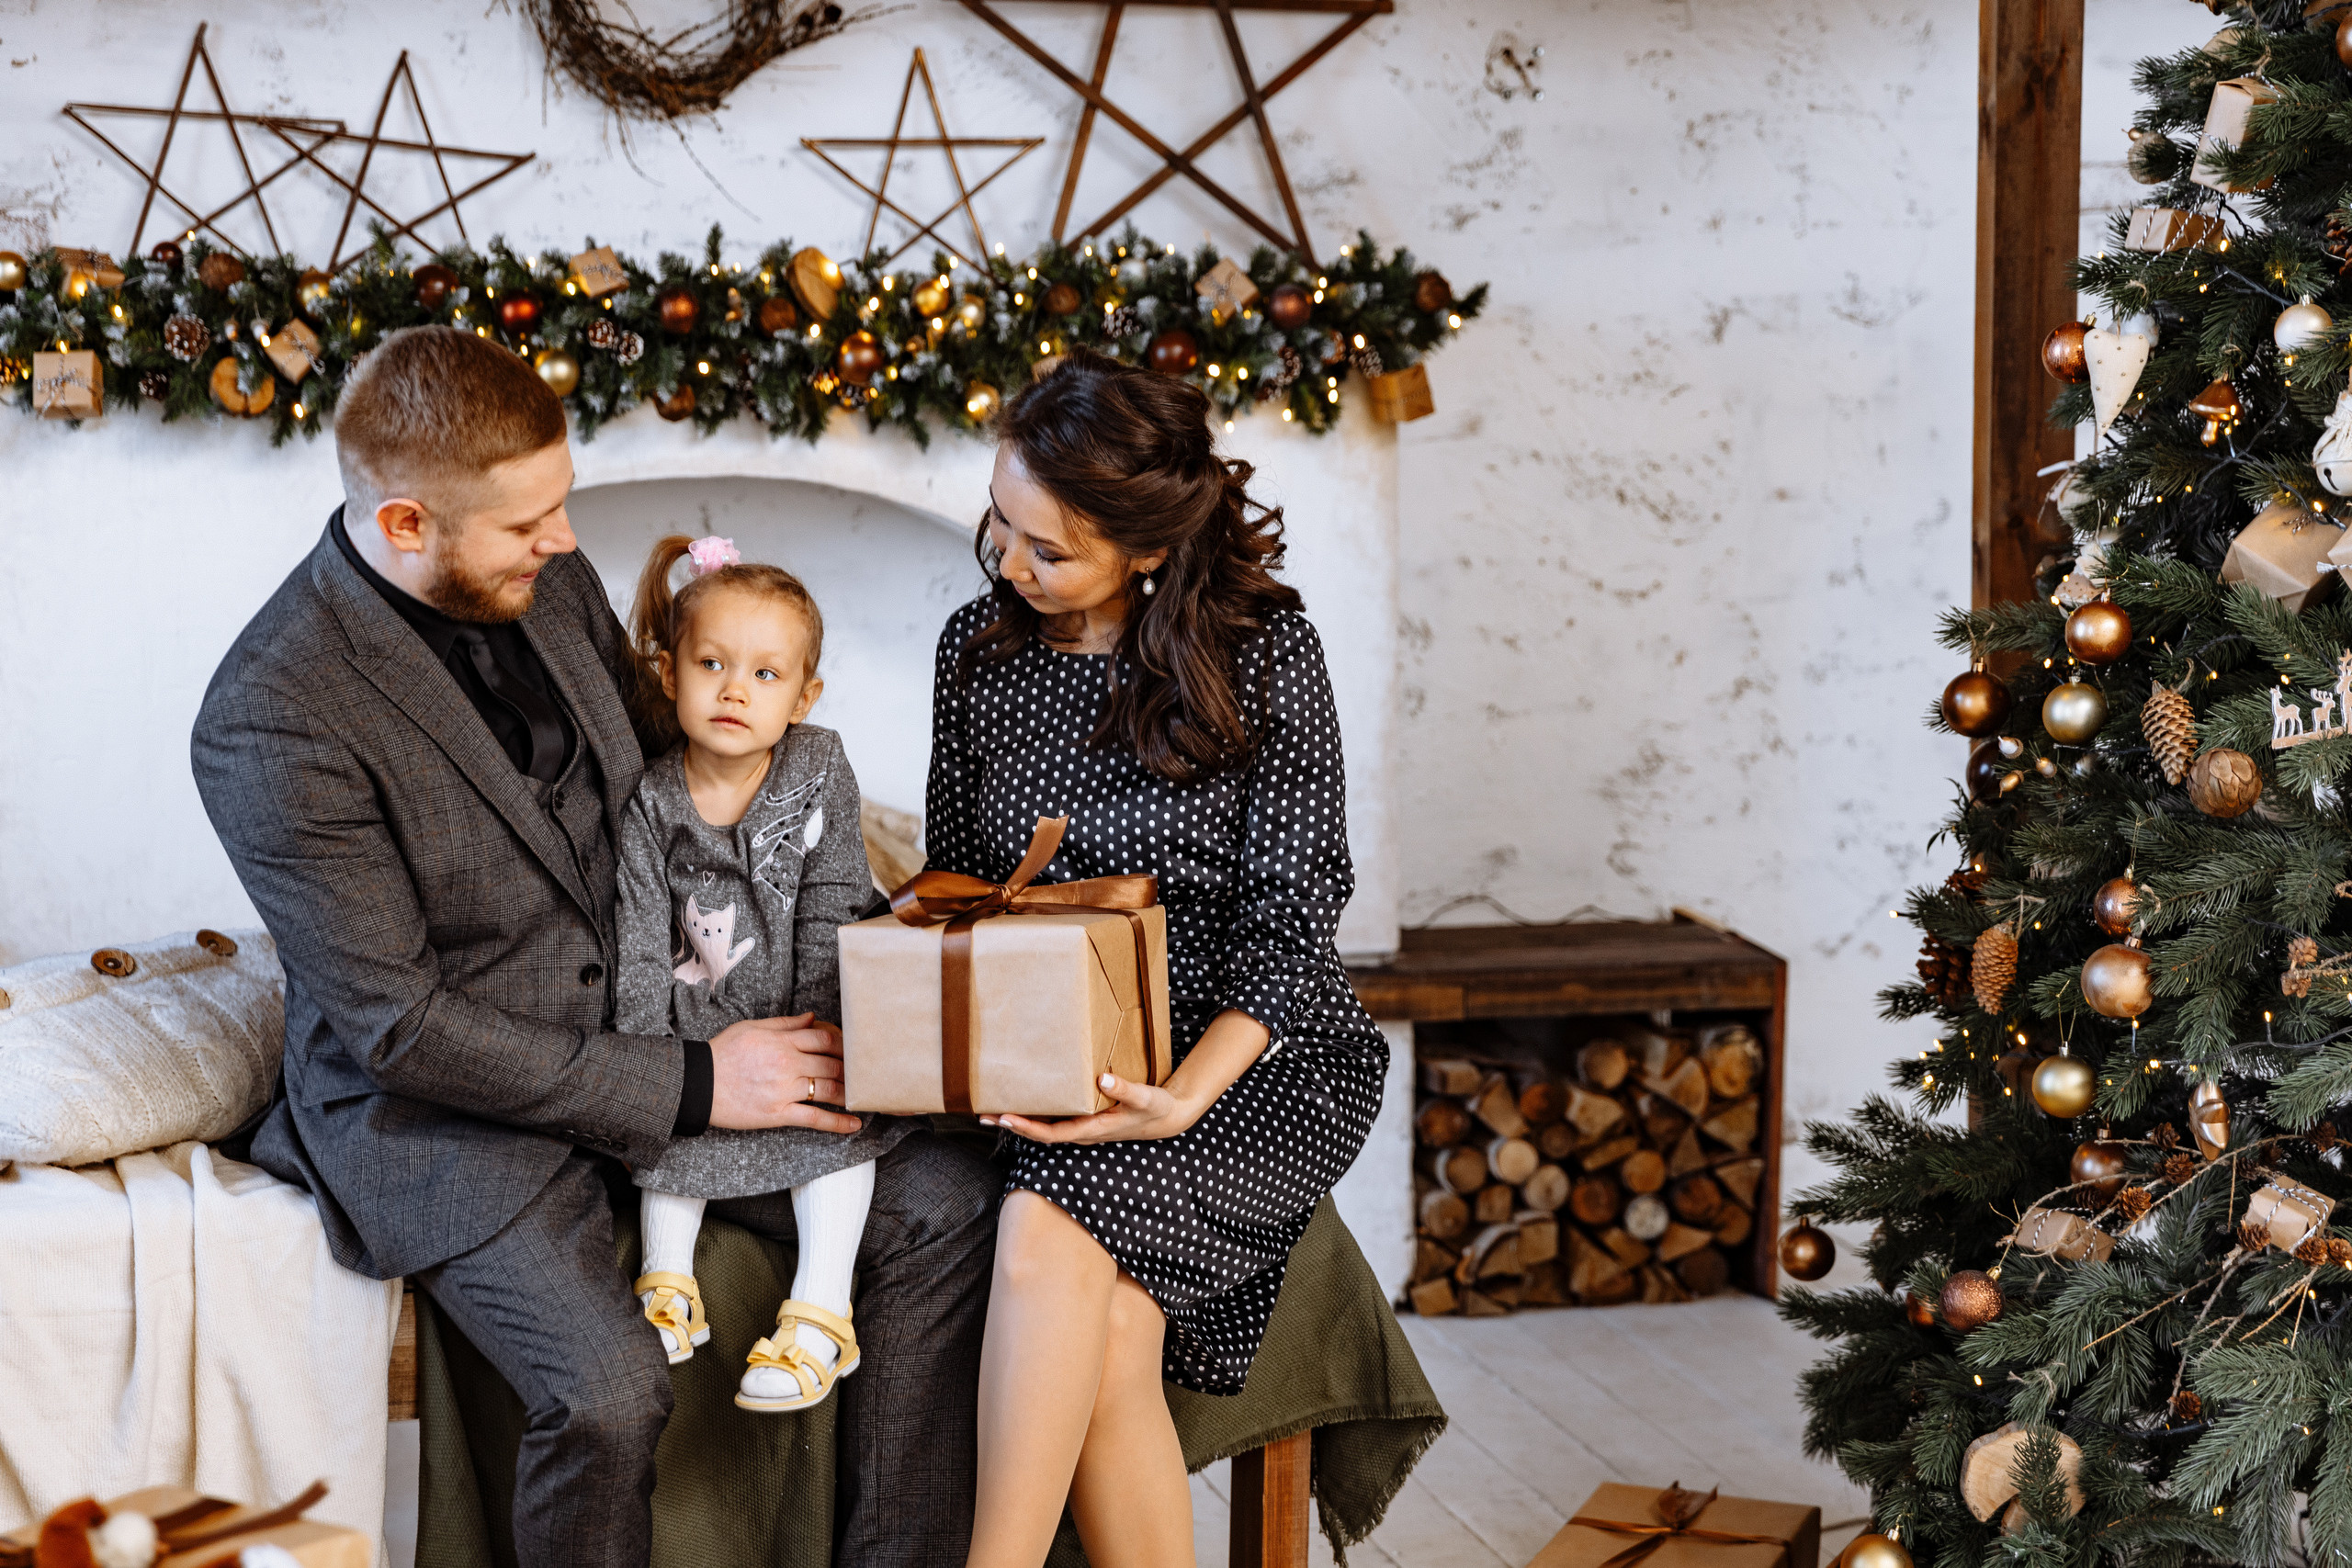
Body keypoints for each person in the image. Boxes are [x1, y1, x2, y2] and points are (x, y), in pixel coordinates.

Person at [190, 325, 996, 1568]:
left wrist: (848, 921)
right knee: (609, 1391)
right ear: (406, 523)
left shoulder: (536, 571)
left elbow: (680, 787)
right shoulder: (272, 713)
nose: (566, 543)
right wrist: (697, 1079)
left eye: (560, 506)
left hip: (667, 1022)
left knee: (947, 1199)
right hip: (454, 1121)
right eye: (529, 524)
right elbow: (397, 1024)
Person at [927, 349, 1388, 1567]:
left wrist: (1183, 1090)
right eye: (1002, 527)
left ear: (1143, 548)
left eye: (1048, 549)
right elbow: (968, 883)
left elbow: (1295, 914)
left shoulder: (1266, 647)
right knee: (1119, 1331)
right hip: (1072, 1047)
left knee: (1039, 1232)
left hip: (1260, 1056)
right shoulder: (977, 650)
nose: (1012, 567)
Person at [615, 532, 911, 1414]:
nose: (736, 689)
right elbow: (636, 937)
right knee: (663, 1146)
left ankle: (821, 1310)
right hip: (696, 1035)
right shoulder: (651, 801)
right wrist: (654, 1053)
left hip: (804, 1019)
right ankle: (666, 1282)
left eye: (766, 675)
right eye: (712, 663)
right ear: (670, 675)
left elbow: (834, 899)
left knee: (838, 1136)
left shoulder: (818, 767)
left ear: (805, 695)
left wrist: (822, 1037)